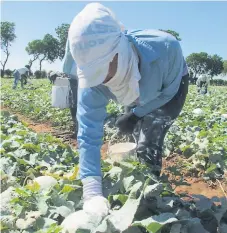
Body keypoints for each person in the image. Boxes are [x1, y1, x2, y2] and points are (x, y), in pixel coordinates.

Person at [62, 2, 189, 221]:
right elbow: (88, 133)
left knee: (150, 136)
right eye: (93, 74)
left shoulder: (167, 49)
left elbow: (166, 94)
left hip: (171, 87)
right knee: (131, 135)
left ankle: (149, 195)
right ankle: (132, 175)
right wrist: (92, 190)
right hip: (138, 87)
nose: (101, 80)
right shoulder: (93, 83)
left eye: (103, 70)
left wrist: (137, 114)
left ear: (119, 51)